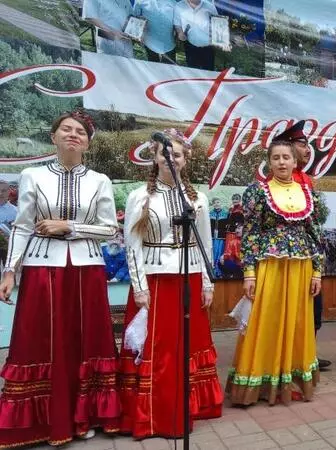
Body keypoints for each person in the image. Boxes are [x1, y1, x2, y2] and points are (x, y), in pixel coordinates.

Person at [0, 110, 120, 447]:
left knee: (84, 341)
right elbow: (22, 226)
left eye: (80, 132)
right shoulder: (32, 175)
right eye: (66, 129)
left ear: (87, 143)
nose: (73, 135)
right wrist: (10, 270)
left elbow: (110, 229)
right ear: (53, 137)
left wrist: (69, 226)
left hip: (86, 269)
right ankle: (41, 422)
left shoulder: (100, 180)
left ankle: (84, 417)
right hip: (42, 268)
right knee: (40, 340)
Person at [119, 129, 222, 438]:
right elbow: (132, 245)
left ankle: (189, 406)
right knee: (159, 348)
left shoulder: (197, 198)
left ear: (185, 159)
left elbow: (205, 242)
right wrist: (140, 287)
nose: (170, 158)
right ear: (154, 157)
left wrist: (207, 283)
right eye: (164, 153)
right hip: (156, 279)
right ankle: (155, 415)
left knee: (188, 343)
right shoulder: (140, 196)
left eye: (176, 154)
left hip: (190, 276)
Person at [226, 140, 324, 406]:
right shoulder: (258, 191)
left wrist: (317, 271)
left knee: (297, 321)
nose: (281, 162)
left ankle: (290, 380)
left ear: (295, 161)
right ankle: (258, 381)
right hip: (269, 265)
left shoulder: (308, 192)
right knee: (264, 319)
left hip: (301, 266)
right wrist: (249, 272)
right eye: (276, 157)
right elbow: (250, 232)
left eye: (286, 157)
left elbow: (315, 234)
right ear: (269, 162)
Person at [274, 121, 331, 369]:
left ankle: (308, 355)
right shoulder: (277, 182)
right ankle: (286, 358)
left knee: (313, 305)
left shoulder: (306, 179)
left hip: (308, 253)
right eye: (302, 144)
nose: (308, 150)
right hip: (286, 256)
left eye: (308, 145)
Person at [174, 0, 219, 70]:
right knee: (193, 70)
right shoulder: (179, 6)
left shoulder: (210, 6)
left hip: (208, 47)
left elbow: (218, 24)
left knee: (208, 71)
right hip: (190, 46)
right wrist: (180, 33)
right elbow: (177, 23)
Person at [209, 197, 228, 277]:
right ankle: (212, 272)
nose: (216, 204)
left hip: (221, 238)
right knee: (212, 254)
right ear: (213, 204)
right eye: (214, 203)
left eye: (218, 202)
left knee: (220, 254)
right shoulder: (210, 213)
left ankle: (219, 271)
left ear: (221, 203)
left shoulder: (226, 213)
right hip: (212, 238)